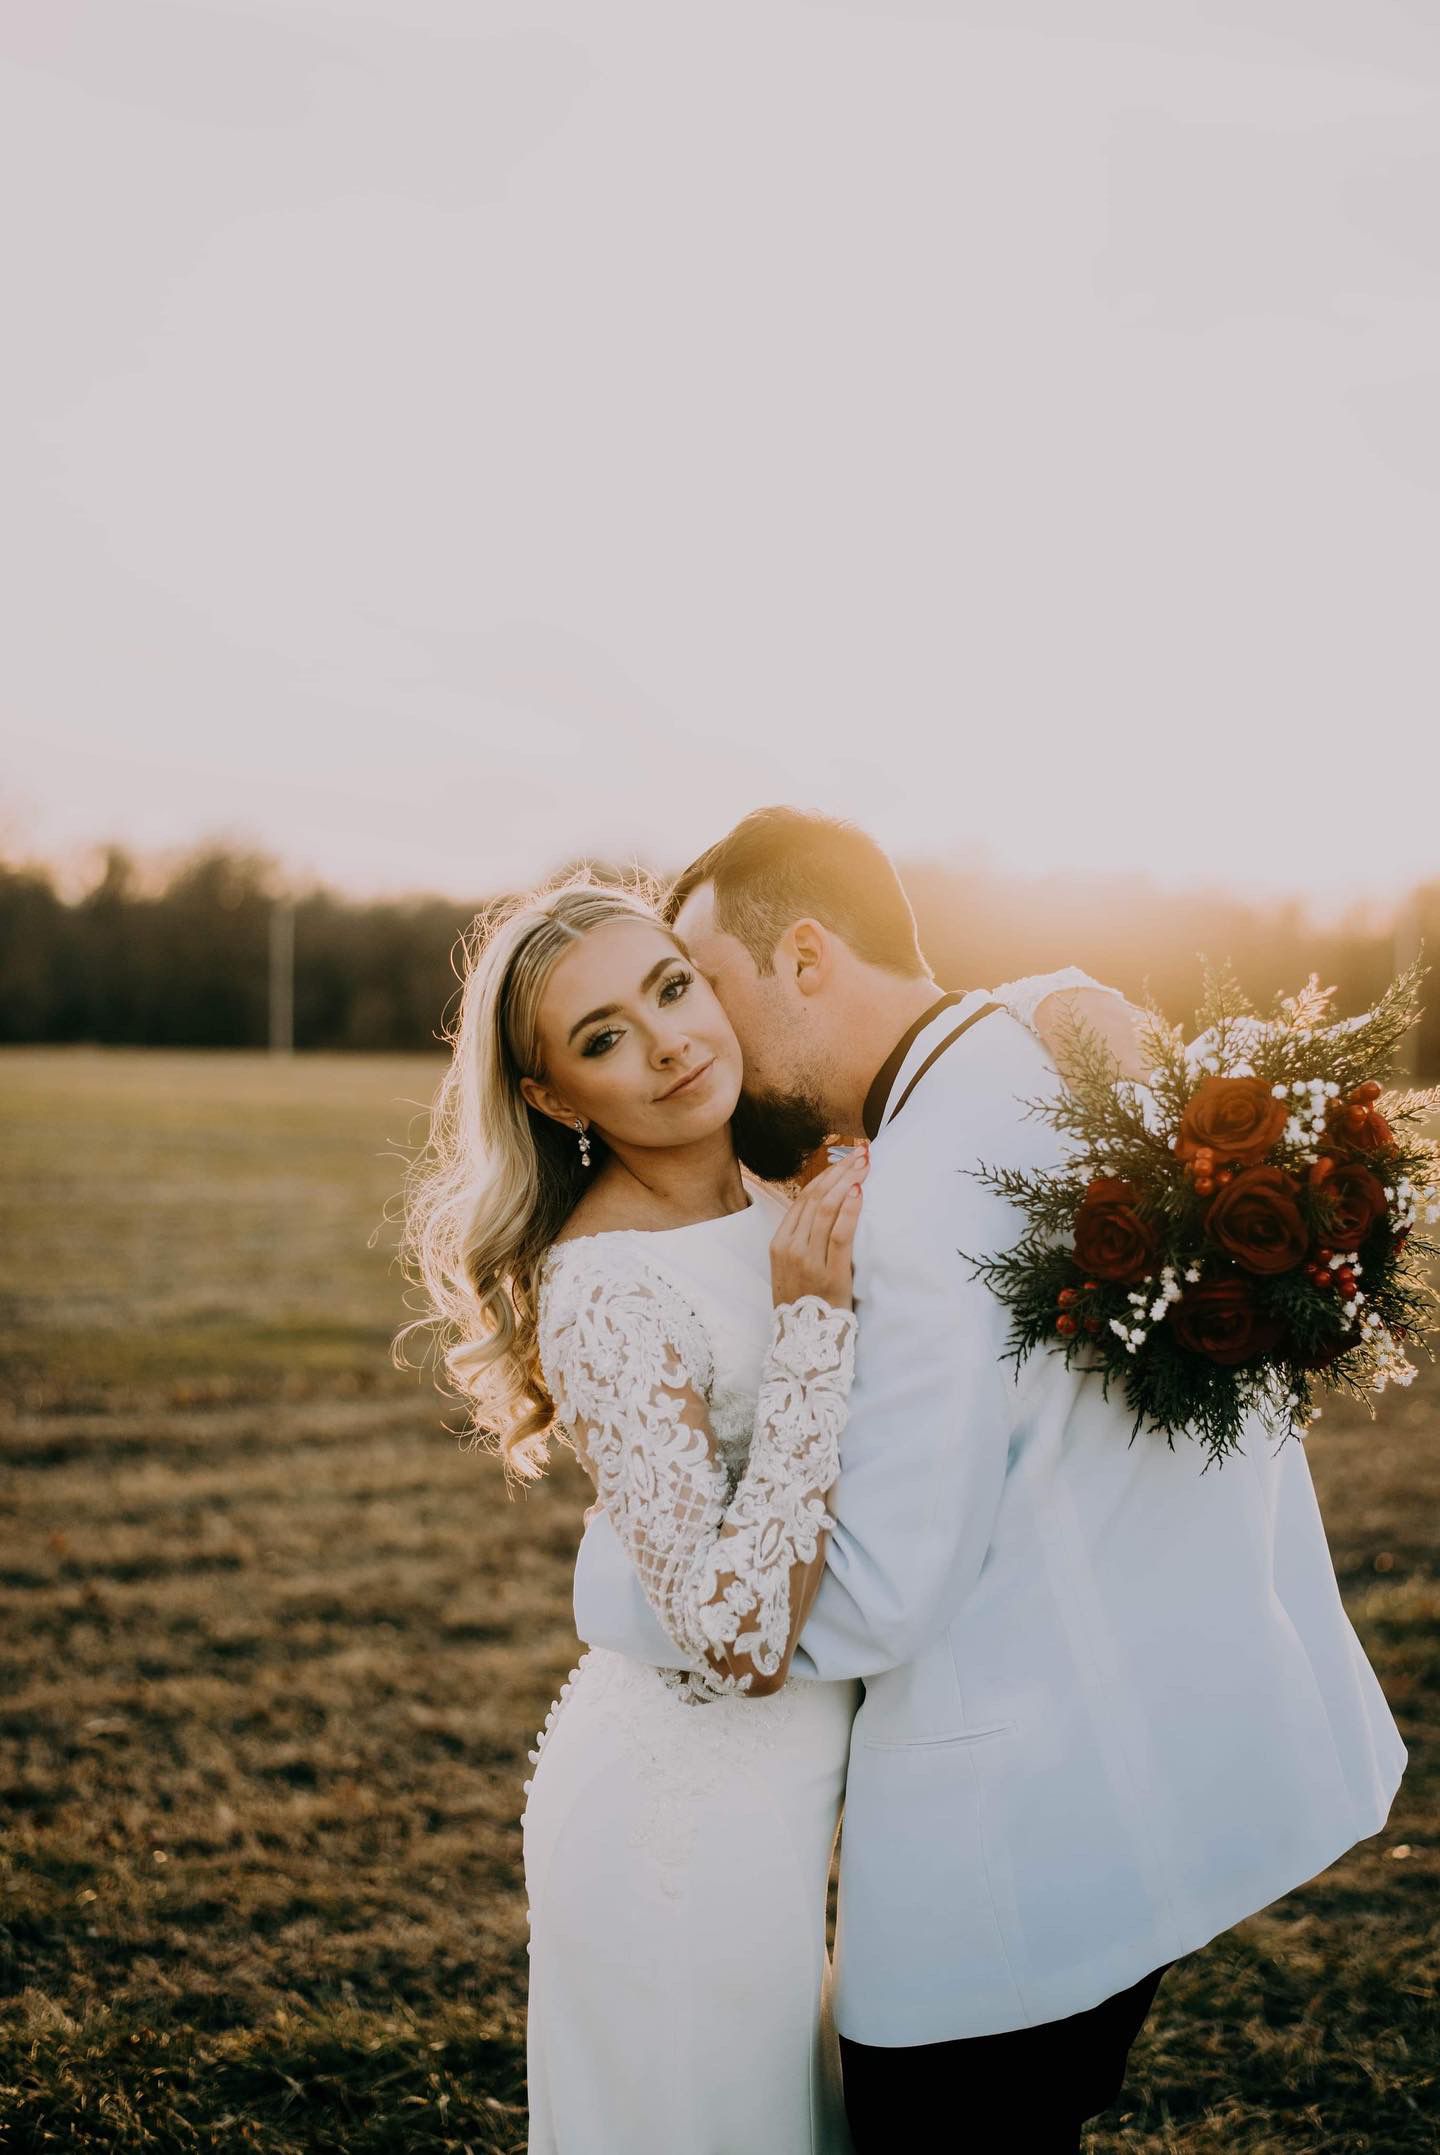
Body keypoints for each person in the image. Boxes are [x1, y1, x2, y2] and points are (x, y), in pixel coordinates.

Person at [573, 806, 1409, 2154]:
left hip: (1002, 1840)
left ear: (804, 957)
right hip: (1170, 1754)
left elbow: (882, 1593)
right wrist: (1055, 982)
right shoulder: (1044, 1054)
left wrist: (643, 1586)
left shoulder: (911, 1199)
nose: (702, 1044)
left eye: (704, 987)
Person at [397, 872, 1103, 2154]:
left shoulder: (796, 1201)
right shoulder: (605, 1290)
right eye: (604, 1037)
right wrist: (812, 1328)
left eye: (673, 987)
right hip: (679, 1821)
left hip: (796, 1820)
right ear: (557, 1097)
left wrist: (1059, 999)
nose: (668, 1041)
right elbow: (735, 1636)